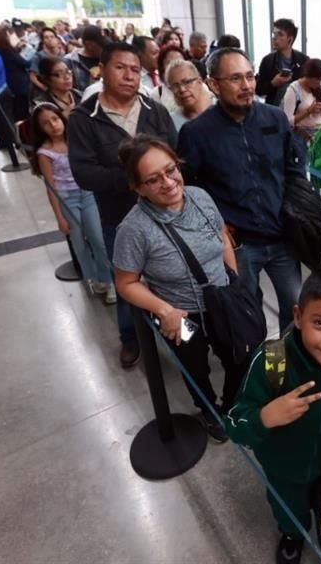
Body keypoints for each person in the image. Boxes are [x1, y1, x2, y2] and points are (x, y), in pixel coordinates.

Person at [226, 267, 321, 564]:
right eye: (319, 322)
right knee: (288, 510)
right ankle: (292, 534)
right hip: (283, 468)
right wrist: (265, 416)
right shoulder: (271, 359)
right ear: (297, 316)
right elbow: (232, 423)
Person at [115, 136, 244, 440]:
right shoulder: (133, 229)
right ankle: (209, 410)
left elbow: (222, 236)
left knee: (237, 357)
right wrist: (164, 310)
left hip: (222, 302)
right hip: (181, 314)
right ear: (137, 187)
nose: (169, 182)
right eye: (153, 179)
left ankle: (232, 405)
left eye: (171, 170)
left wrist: (233, 281)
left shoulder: (200, 197)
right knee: (195, 366)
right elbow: (126, 283)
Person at [179, 47, 305, 332]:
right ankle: (255, 366)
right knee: (246, 311)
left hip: (282, 234)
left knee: (296, 305)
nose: (247, 86)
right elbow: (191, 190)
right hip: (238, 244)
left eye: (250, 76)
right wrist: (217, 226)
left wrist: (295, 211)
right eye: (236, 79)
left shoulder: (275, 119)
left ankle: (287, 361)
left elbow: (294, 168)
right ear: (213, 84)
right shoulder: (196, 133)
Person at [68, 41, 178, 369]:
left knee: (171, 279)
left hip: (164, 216)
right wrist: (135, 178)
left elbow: (171, 151)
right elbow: (84, 173)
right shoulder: (84, 119)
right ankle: (130, 339)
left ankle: (180, 338)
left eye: (135, 69)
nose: (129, 75)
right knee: (128, 283)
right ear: (102, 70)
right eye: (121, 67)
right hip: (119, 219)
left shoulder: (153, 110)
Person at [30, 103, 115, 304]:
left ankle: (109, 279)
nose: (53, 125)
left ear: (62, 118)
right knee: (79, 242)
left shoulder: (76, 141)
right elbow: (50, 187)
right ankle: (93, 278)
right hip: (66, 198)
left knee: (98, 237)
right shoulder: (45, 153)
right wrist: (59, 217)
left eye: (55, 119)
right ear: (41, 129)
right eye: (46, 123)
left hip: (87, 193)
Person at [256, 18, 308, 107]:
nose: (274, 37)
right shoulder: (267, 61)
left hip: (297, 112)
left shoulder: (303, 60)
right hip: (274, 111)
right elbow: (259, 90)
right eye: (274, 34)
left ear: (290, 40)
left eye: (280, 34)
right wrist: (273, 83)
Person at [281, 58, 321, 143]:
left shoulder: (319, 89)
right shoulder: (293, 90)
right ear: (308, 77)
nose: (320, 83)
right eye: (318, 80)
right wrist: (309, 111)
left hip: (319, 132)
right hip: (302, 134)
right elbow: (288, 121)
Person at [0, 27, 31, 123]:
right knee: (23, 112)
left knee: (16, 111)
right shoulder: (8, 50)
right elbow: (24, 63)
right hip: (19, 84)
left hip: (8, 83)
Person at [164, 59, 211, 131]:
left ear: (200, 81)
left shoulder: (222, 111)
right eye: (175, 86)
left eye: (187, 82)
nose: (182, 89)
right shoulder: (170, 123)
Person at [65, 24, 107, 93]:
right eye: (100, 45)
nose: (103, 48)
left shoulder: (105, 58)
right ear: (89, 44)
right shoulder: (70, 62)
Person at [29, 28, 66, 94]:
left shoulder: (63, 54)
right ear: (42, 41)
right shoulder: (38, 56)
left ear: (57, 39)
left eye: (52, 37)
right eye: (46, 37)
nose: (50, 39)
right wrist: (44, 88)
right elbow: (33, 76)